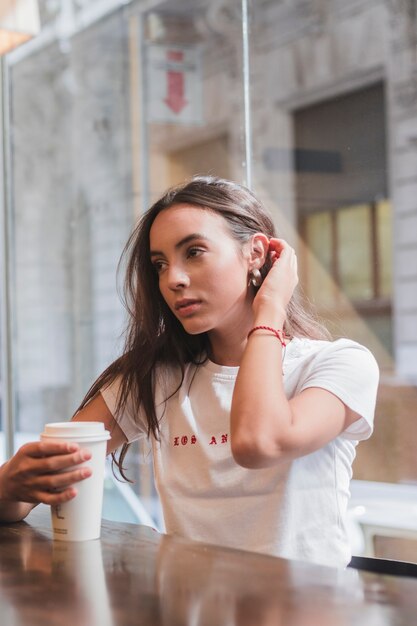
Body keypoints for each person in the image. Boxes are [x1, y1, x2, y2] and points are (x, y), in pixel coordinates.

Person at [0, 176, 379, 567]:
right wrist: (10, 484)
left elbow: (259, 443)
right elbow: (36, 488)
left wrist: (269, 311)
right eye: (159, 265)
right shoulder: (155, 377)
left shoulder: (338, 364)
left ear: (256, 254)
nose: (172, 279)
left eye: (194, 252)